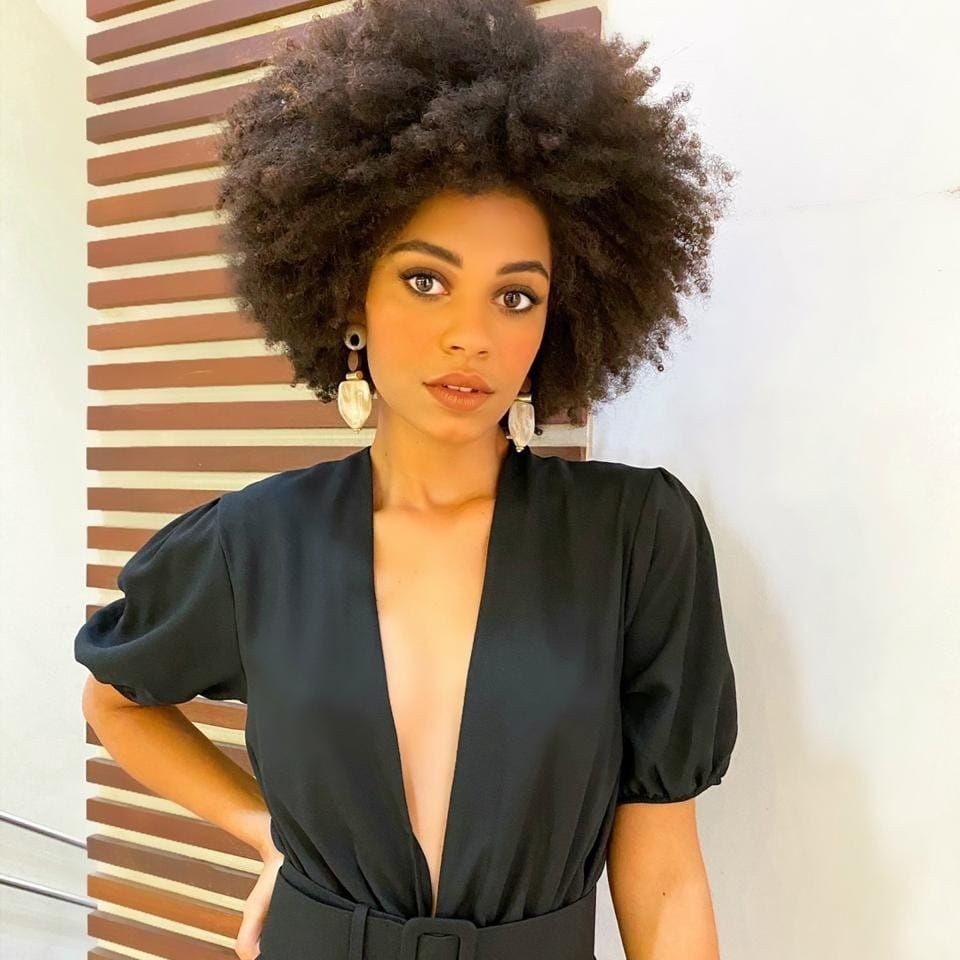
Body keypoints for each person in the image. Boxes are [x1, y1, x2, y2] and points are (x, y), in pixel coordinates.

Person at [74, 1, 739, 957]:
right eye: (426, 280)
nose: (472, 335)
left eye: (516, 295)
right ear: (350, 293)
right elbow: (115, 699)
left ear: (559, 316)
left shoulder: (634, 541)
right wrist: (265, 832)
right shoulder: (257, 542)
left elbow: (666, 879)